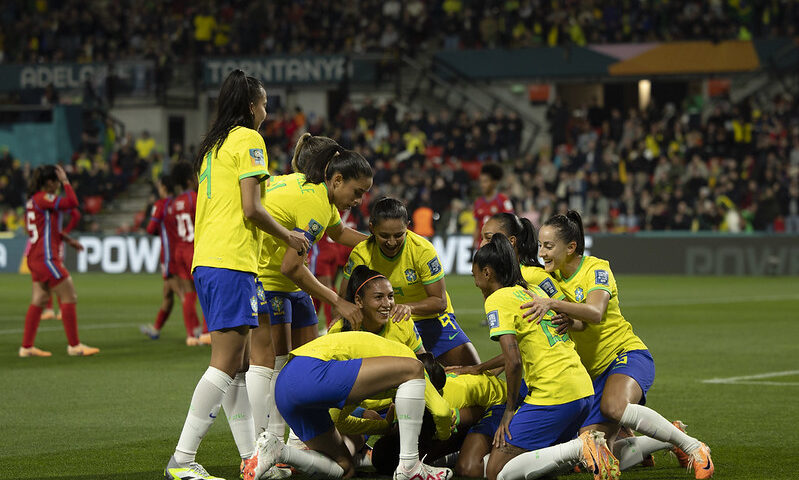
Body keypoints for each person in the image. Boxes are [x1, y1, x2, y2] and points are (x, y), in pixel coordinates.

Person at [164, 69, 309, 480]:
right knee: (226, 364)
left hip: (208, 260)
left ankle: (250, 458)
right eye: (264, 103)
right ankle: (182, 458)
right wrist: (290, 236)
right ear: (251, 106)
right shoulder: (248, 139)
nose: (266, 111)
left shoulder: (213, 147)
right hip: (231, 261)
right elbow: (251, 208)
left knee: (242, 364)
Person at [522, 210, 714, 478]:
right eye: (540, 245)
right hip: (592, 376)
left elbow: (596, 312)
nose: (542, 253)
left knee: (614, 407)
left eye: (548, 246)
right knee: (593, 453)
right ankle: (664, 438)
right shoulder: (550, 277)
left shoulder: (596, 268)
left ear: (571, 247)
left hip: (625, 356)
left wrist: (552, 303)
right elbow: (580, 323)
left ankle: (693, 447)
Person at [248, 134, 373, 455]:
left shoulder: (317, 193)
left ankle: (298, 440)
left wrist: (381, 241)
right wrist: (337, 301)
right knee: (275, 364)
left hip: (288, 284)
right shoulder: (316, 202)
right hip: (266, 278)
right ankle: (267, 441)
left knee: (303, 362)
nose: (359, 201)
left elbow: (340, 232)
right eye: (357, 192)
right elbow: (291, 265)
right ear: (337, 179)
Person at [471, 233, 617, 480]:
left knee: (496, 471)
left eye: (474, 274)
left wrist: (509, 410)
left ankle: (581, 448)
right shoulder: (533, 291)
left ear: (487, 272)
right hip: (582, 390)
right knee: (540, 467)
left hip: (554, 394)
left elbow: (514, 360)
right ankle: (579, 449)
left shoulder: (497, 299)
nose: (474, 281)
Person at [243, 331, 454, 480]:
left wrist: (381, 427)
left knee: (344, 468)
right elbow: (443, 412)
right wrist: (444, 434)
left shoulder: (381, 377)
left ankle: (278, 451)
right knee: (413, 368)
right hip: (309, 371)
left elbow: (338, 420)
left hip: (288, 388)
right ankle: (410, 465)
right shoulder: (409, 361)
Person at [341, 197, 480, 367]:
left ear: (407, 225)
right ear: (371, 228)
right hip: (387, 322)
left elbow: (440, 301)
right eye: (384, 236)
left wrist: (409, 307)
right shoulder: (361, 254)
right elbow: (345, 297)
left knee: (474, 369)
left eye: (399, 235)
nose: (392, 242)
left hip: (431, 319)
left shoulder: (422, 250)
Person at [20, 164, 99, 357]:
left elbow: (44, 228)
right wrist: (66, 182)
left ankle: (27, 347)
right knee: (69, 295)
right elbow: (72, 203)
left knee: (39, 299)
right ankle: (74, 346)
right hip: (46, 258)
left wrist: (67, 239)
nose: (58, 185)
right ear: (49, 182)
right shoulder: (43, 198)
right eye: (56, 181)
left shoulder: (33, 201)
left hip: (36, 257)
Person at [140, 173, 193, 343]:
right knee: (168, 294)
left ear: (163, 187)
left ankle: (195, 330)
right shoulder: (178, 202)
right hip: (182, 249)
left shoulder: (162, 204)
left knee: (182, 293)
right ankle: (156, 329)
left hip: (170, 255)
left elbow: (150, 228)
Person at [170, 161, 208, 344]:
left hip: (179, 250)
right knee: (206, 291)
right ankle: (207, 333)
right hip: (194, 249)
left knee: (188, 293)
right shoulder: (195, 197)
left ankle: (190, 335)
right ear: (188, 179)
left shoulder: (174, 203)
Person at [472, 164, 513, 250]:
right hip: (482, 247)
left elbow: (509, 223)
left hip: (498, 247)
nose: (482, 185)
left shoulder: (503, 200)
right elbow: (477, 227)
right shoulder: (478, 203)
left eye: (485, 181)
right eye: (481, 181)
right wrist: (473, 245)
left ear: (493, 182)